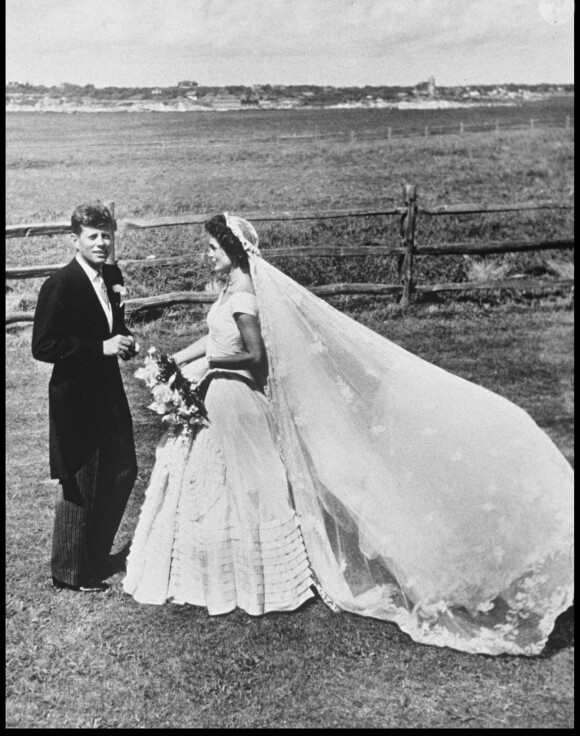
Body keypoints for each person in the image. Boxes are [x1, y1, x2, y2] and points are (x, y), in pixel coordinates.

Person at [124, 213, 574, 656]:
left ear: (234, 252)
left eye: (212, 249)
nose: (207, 256)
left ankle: (260, 577)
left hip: (236, 396)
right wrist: (177, 360)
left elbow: (256, 357)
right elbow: (213, 338)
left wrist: (213, 365)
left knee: (249, 482)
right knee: (220, 480)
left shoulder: (245, 296)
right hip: (218, 393)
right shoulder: (227, 292)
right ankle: (221, 573)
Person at [32, 201, 139, 592]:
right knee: (82, 479)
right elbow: (43, 346)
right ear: (74, 239)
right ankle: (70, 571)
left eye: (106, 235)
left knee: (124, 468)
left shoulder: (112, 275)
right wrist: (100, 348)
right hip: (76, 398)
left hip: (109, 390)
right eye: (92, 236)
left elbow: (114, 326)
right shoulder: (60, 284)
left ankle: (94, 555)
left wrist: (125, 342)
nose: (101, 243)